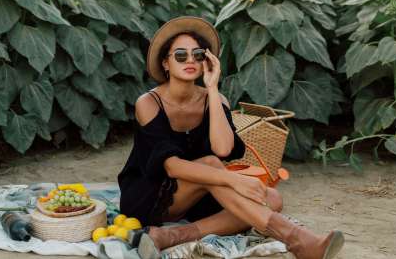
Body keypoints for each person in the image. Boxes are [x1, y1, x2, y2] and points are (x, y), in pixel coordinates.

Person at [117, 16, 345, 259]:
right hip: (150, 194)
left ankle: (173, 236)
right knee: (211, 164)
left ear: (207, 60)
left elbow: (224, 149)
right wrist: (232, 180)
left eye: (198, 55)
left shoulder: (215, 99)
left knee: (272, 198)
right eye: (180, 55)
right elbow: (172, 166)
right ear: (165, 63)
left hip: (201, 192)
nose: (190, 60)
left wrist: (213, 88)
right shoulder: (149, 103)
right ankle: (296, 238)